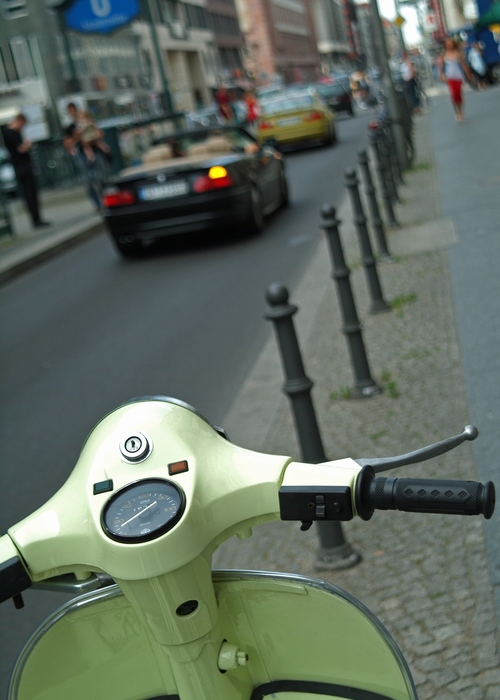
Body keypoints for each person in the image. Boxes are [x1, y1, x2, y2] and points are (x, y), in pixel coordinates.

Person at [3, 113, 51, 228]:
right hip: (22, 167)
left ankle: (36, 218)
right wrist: (27, 144)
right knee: (30, 193)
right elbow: (20, 149)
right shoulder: (11, 133)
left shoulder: (10, 133)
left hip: (21, 166)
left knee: (31, 193)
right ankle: (36, 219)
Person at [63, 102, 109, 211]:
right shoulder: (70, 128)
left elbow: (100, 134)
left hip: (95, 151)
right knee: (88, 181)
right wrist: (77, 136)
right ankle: (97, 204)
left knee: (102, 177)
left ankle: (106, 201)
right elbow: (67, 143)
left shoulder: (89, 122)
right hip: (82, 153)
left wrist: (95, 136)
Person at [437, 38, 472, 122]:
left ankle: (460, 112)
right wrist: (441, 75)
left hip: (458, 76)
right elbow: (441, 66)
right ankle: (456, 111)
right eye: (448, 43)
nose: (450, 45)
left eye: (451, 43)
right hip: (450, 76)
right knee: (454, 94)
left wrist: (468, 75)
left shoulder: (457, 53)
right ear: (445, 45)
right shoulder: (444, 54)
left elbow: (463, 65)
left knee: (459, 94)